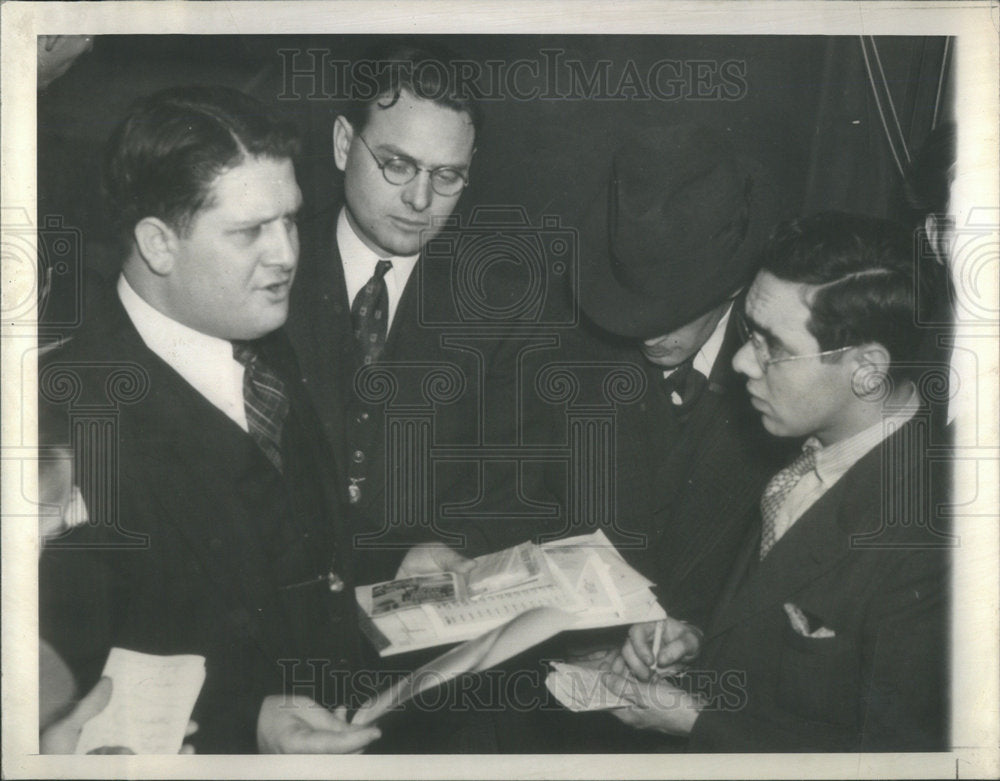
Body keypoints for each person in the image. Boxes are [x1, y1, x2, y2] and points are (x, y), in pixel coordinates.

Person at [38, 86, 381, 754]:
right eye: (250, 230)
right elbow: (53, 698)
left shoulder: (268, 338)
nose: (287, 253)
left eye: (290, 221)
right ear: (159, 244)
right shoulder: (59, 423)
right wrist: (244, 721)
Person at [603, 211, 951, 752]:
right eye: (747, 333)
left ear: (868, 369)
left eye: (774, 346)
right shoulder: (811, 453)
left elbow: (897, 760)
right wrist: (700, 642)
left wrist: (698, 724)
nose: (742, 361)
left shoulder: (934, 543)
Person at [287, 42, 559, 586]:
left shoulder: (504, 304)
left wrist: (434, 555)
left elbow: (517, 483)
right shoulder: (270, 270)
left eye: (447, 176)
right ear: (344, 144)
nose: (419, 199)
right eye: (397, 164)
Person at [570, 124, 789, 629]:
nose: (646, 332)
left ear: (735, 286)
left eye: (675, 308)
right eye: (633, 302)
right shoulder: (572, 361)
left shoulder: (787, 388)